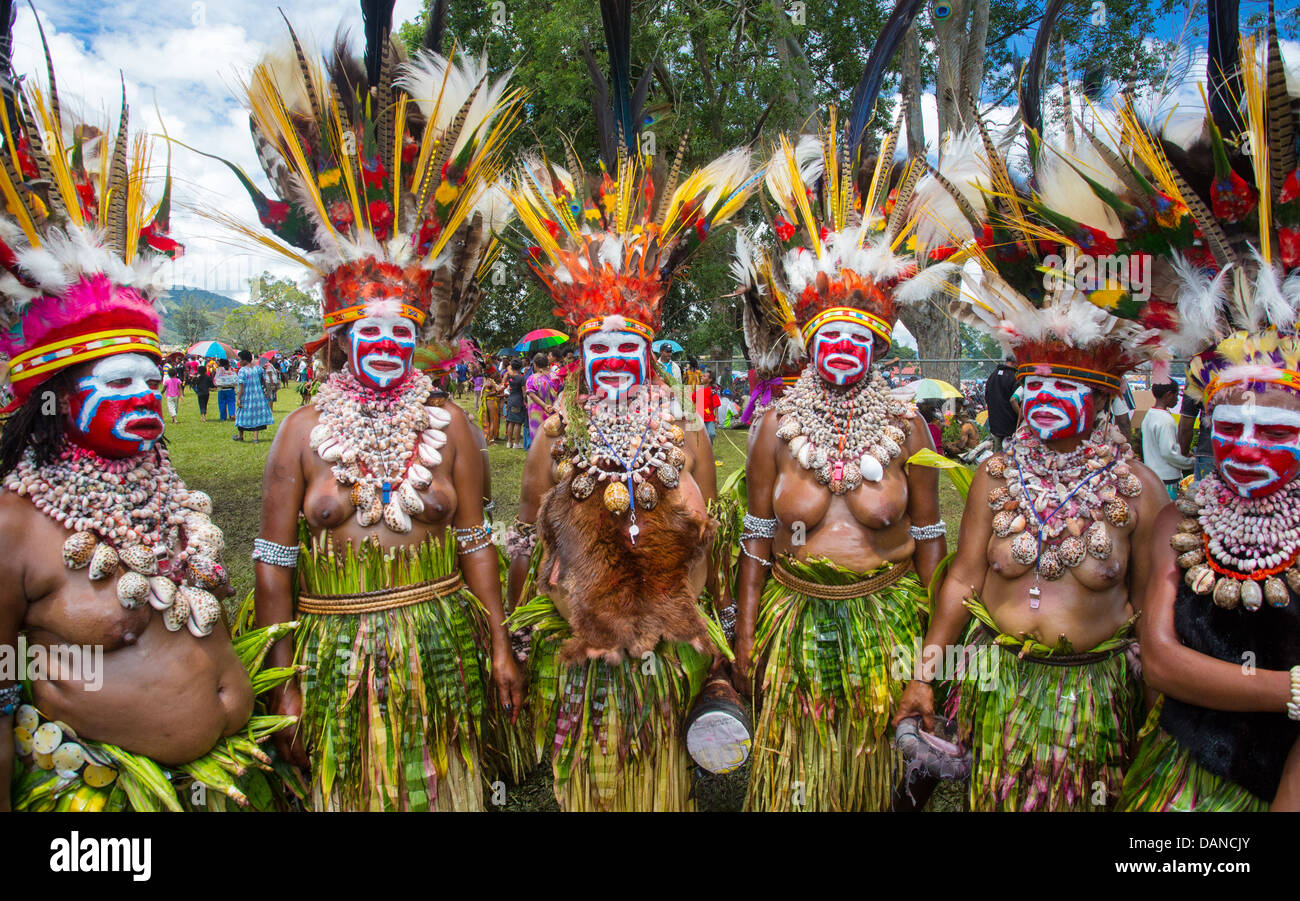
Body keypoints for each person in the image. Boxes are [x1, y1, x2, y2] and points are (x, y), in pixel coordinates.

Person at [225, 17, 524, 810]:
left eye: (402, 330)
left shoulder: (452, 425)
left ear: (418, 330)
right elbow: (272, 561)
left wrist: (497, 638)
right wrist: (282, 679)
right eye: (370, 332)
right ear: (343, 334)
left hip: (440, 648)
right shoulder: (300, 431)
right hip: (333, 664)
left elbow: (476, 540)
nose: (388, 345)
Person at [0, 43, 292, 812]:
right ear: (57, 393)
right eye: (119, 381)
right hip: (101, 799)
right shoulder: (16, 528)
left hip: (224, 775)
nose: (147, 393)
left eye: (152, 378)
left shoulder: (163, 491)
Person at [893, 65, 1184, 811]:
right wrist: (927, 671)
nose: (1044, 399)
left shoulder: (1140, 489)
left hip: (1090, 700)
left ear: (1102, 395)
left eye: (1066, 387)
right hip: (999, 683)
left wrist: (1159, 727)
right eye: (1036, 385)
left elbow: (1156, 615)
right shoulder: (995, 473)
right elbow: (960, 580)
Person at [501, 27, 757, 808]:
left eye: (628, 347)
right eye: (599, 347)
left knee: (654, 775)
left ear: (646, 352)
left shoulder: (687, 434)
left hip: (666, 638)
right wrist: (519, 620)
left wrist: (711, 641)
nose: (613, 361)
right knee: (588, 773)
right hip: (581, 640)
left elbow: (706, 538)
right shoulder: (553, 435)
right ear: (583, 353)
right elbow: (523, 531)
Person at [730, 78, 952, 811]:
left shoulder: (908, 426)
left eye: (861, 338)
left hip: (883, 622)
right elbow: (758, 534)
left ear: (879, 345)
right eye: (832, 336)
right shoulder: (775, 424)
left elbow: (928, 541)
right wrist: (748, 631)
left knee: (876, 778)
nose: (845, 350)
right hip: (796, 619)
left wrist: (930, 660)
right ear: (812, 340)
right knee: (802, 778)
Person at [1117, 18, 1300, 810]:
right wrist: (1292, 691)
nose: (1252, 446)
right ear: (1204, 424)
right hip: (1181, 785)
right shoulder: (1177, 526)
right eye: (1235, 426)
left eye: (1279, 427)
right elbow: (1160, 661)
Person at [1140, 382, 1193, 499]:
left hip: (1152, 474)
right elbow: (1168, 452)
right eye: (1176, 395)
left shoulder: (1150, 415)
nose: (1177, 400)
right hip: (1166, 477)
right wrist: (1189, 463)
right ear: (1169, 395)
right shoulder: (1165, 420)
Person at [232, 350, 273, 442]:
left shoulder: (242, 371)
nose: (239, 362)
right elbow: (263, 381)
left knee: (242, 414)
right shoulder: (258, 369)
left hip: (246, 396)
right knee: (256, 415)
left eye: (240, 360)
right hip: (258, 396)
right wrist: (266, 392)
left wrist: (238, 398)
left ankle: (240, 436)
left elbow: (241, 385)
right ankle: (255, 438)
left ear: (245, 360)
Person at [524, 352, 559, 447]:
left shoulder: (532, 378)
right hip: (553, 411)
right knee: (552, 437)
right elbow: (559, 393)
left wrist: (544, 406)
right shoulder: (555, 376)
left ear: (535, 364)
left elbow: (531, 394)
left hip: (537, 414)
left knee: (538, 439)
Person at [984, 358, 1018, 450]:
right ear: (1015, 362)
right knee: (1010, 450)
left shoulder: (993, 375)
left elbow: (986, 396)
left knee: (997, 450)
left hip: (995, 420)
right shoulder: (1014, 377)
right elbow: (1015, 400)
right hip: (1010, 423)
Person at [502, 359, 526, 449]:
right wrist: (526, 401)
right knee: (518, 423)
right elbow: (524, 392)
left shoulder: (510, 377)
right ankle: (516, 443)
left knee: (511, 422)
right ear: (520, 367)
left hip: (511, 400)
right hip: (518, 401)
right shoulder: (521, 378)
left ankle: (509, 442)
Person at [694, 369, 721, 442]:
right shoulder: (698, 390)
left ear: (710, 380)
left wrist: (717, 417)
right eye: (702, 376)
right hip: (699, 418)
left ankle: (709, 450)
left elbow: (716, 405)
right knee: (699, 437)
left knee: (711, 434)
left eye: (704, 376)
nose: (702, 377)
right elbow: (693, 402)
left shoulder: (712, 391)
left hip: (709, 418)